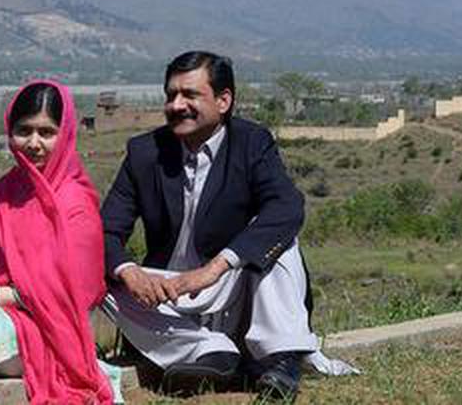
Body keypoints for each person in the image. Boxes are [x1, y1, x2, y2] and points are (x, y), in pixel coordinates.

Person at [99, 51, 341, 400]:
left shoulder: (251, 143)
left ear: (223, 100)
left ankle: (280, 360)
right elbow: (107, 230)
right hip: (169, 295)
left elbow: (286, 207)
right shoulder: (144, 152)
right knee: (95, 272)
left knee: (278, 241)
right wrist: (129, 272)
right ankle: (211, 353)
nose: (176, 105)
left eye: (189, 95)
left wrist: (216, 267)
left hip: (229, 285)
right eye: (171, 95)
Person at [0, 81, 117, 404]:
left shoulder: (75, 201)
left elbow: (70, 291)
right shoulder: (5, 192)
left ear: (64, 135)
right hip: (8, 315)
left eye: (46, 133)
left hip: (61, 330)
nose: (33, 143)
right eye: (24, 131)